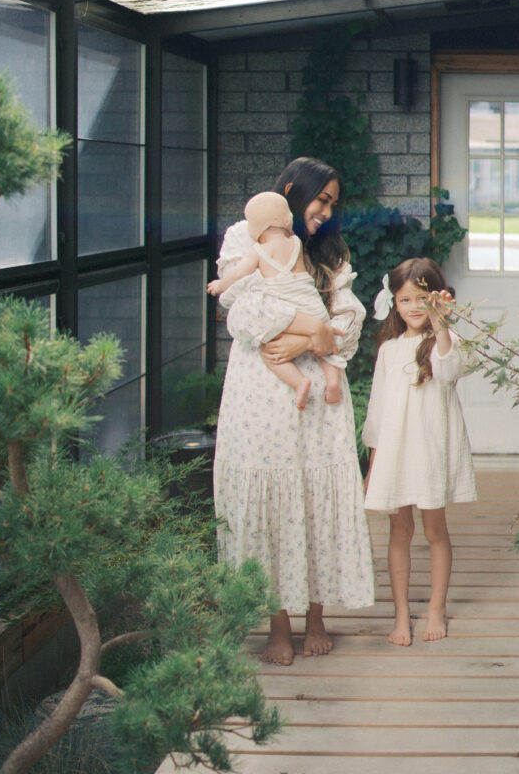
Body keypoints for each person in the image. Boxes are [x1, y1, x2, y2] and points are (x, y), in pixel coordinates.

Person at [213, 157, 375, 666]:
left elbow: (346, 324)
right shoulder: (248, 237)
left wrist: (320, 335)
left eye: (332, 203)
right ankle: (277, 623)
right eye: (320, 199)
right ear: (290, 190)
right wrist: (310, 328)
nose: (326, 212)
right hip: (262, 390)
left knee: (313, 496)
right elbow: (241, 313)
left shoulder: (330, 253)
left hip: (318, 393)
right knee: (273, 501)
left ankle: (316, 618)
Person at [363, 257, 476, 647]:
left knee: (433, 529)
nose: (413, 307)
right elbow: (376, 410)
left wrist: (441, 322)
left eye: (422, 299)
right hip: (395, 450)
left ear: (437, 300)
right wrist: (374, 460)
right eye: (405, 300)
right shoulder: (389, 350)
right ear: (394, 303)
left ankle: (435, 607)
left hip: (430, 448)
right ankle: (399, 614)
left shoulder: (447, 341)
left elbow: (447, 371)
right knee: (399, 530)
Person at [207, 190, 344, 410]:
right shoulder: (296, 243)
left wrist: (220, 285)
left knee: (271, 353)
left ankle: (299, 382)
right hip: (310, 302)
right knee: (327, 344)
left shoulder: (258, 251)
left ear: (256, 227)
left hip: (287, 307)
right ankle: (333, 381)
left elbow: (239, 273)